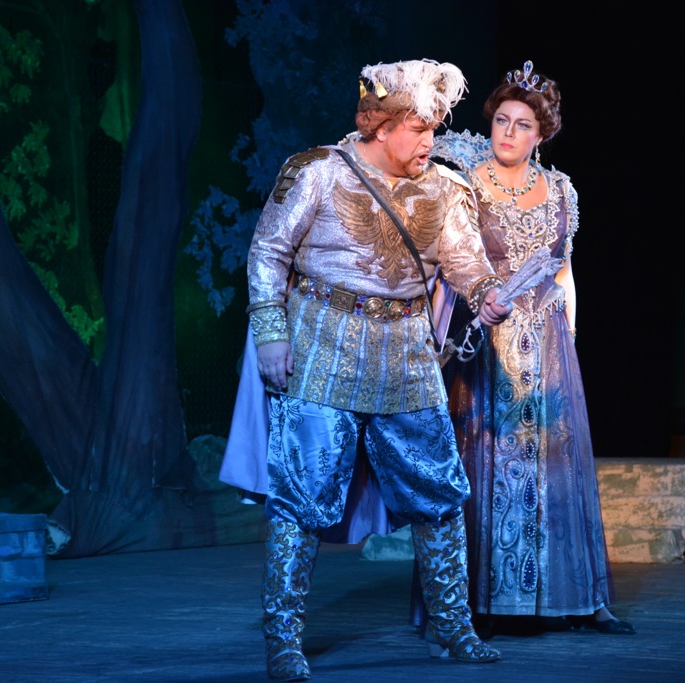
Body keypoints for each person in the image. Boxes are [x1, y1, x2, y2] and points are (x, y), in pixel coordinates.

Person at [240, 58, 513, 682]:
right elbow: (268, 253)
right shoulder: (317, 172)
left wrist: (487, 293)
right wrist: (270, 334)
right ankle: (283, 640)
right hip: (323, 348)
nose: (430, 141)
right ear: (381, 126)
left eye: (435, 128)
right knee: (300, 500)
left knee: (439, 495)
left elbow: (466, 263)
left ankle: (452, 628)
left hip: (407, 355)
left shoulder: (445, 189)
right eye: (419, 128)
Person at [427, 60, 635, 638]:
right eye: (501, 120)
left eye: (522, 124)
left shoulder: (561, 189)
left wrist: (569, 340)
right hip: (487, 343)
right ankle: (478, 602)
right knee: (484, 463)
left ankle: (579, 598)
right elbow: (451, 264)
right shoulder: (465, 183)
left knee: (555, 467)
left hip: (547, 342)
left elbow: (564, 271)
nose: (509, 132)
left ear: (541, 134)